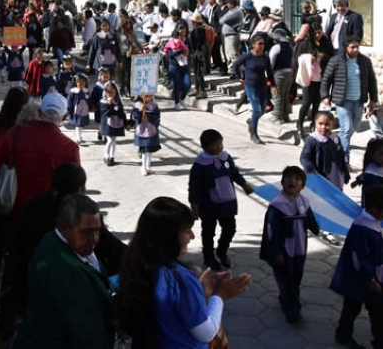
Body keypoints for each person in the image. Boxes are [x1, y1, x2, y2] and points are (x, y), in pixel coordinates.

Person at [117, 197, 251, 348]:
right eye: (187, 231)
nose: (192, 236)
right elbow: (206, 332)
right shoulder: (179, 278)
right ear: (168, 236)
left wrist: (197, 291)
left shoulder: (137, 262)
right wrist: (219, 296)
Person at [15, 194, 116, 349]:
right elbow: (85, 335)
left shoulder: (57, 241)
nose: (94, 239)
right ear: (63, 227)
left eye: (97, 231)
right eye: (86, 232)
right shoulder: (65, 271)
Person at [0, 93, 80, 219]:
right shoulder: (70, 147)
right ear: (65, 116)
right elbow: (74, 190)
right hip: (49, 216)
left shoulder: (14, 133)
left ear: (39, 111)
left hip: (13, 210)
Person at [259, 166, 320, 324]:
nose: (292, 181)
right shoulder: (277, 205)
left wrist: (315, 228)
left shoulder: (304, 202)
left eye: (297, 179)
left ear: (302, 186)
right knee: (287, 279)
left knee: (296, 277)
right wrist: (276, 252)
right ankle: (293, 311)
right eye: (289, 178)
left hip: (299, 248)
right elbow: (272, 231)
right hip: (283, 250)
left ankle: (285, 297)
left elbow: (310, 218)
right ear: (282, 182)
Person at [189, 130, 254, 271]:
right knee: (208, 231)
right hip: (208, 204)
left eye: (220, 144)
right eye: (214, 145)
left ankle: (222, 250)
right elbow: (193, 186)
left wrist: (244, 184)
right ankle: (208, 256)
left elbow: (234, 173)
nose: (219, 148)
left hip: (227, 201)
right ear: (204, 147)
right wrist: (194, 204)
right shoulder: (200, 165)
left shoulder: (225, 157)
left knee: (230, 228)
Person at [330, 185, 383, 348]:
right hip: (362, 280)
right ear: (375, 209)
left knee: (366, 311)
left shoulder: (371, 221)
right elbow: (359, 258)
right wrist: (370, 279)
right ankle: (345, 337)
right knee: (356, 310)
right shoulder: (363, 228)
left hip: (367, 278)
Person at [321, 35, 379, 164]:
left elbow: (372, 81)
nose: (355, 49)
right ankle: (344, 160)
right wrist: (325, 96)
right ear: (346, 47)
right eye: (352, 47)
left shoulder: (365, 61)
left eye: (357, 47)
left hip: (358, 100)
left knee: (354, 127)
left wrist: (373, 100)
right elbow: (326, 79)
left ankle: (337, 144)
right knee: (346, 129)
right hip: (343, 101)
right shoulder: (336, 61)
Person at [232, 32, 275, 144]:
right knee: (256, 109)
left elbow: (269, 71)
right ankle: (253, 133)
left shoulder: (265, 56)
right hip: (251, 85)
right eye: (259, 44)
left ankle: (251, 121)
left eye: (263, 44)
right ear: (254, 45)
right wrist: (239, 78)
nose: (262, 46)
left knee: (264, 107)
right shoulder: (248, 56)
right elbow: (236, 65)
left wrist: (274, 85)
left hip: (262, 85)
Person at [294, 22, 333, 136]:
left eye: (319, 32)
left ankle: (313, 124)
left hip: (321, 76)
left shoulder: (326, 42)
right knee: (306, 102)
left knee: (316, 102)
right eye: (315, 33)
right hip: (308, 76)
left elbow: (332, 57)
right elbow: (297, 58)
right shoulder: (305, 43)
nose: (317, 35)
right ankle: (299, 124)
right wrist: (308, 58)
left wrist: (322, 56)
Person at [300, 111, 350, 192]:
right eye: (320, 124)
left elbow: (341, 156)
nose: (323, 127)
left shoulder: (335, 138)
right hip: (319, 176)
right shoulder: (312, 139)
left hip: (335, 176)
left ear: (332, 125)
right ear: (315, 123)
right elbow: (305, 157)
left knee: (335, 198)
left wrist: (346, 173)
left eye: (327, 124)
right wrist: (311, 169)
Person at [268, 28, 295, 126]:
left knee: (277, 94)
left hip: (278, 73)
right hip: (289, 73)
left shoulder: (276, 47)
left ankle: (277, 116)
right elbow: (292, 61)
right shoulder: (290, 47)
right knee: (285, 95)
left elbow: (271, 61)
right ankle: (286, 115)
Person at [132, 93, 161, 176]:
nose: (149, 98)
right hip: (141, 131)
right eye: (146, 96)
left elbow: (157, 117)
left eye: (150, 96)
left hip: (151, 130)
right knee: (145, 151)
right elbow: (133, 116)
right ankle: (143, 167)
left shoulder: (154, 105)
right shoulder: (137, 105)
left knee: (150, 151)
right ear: (141, 96)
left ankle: (148, 167)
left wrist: (149, 118)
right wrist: (140, 112)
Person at [164, 25, 192, 110]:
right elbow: (170, 55)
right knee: (177, 85)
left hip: (184, 65)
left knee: (187, 83)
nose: (183, 34)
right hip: (174, 66)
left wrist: (187, 52)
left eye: (184, 32)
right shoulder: (170, 44)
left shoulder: (186, 41)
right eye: (181, 32)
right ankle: (176, 102)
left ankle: (182, 98)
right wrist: (179, 51)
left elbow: (190, 50)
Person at [99, 80, 126, 165]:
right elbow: (103, 112)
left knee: (114, 140)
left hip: (116, 123)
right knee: (110, 140)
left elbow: (121, 113)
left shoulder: (118, 102)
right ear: (105, 92)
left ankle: (112, 156)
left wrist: (126, 122)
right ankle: (106, 155)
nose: (110, 94)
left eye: (113, 92)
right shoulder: (103, 101)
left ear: (116, 92)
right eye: (108, 92)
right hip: (107, 124)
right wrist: (109, 104)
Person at [351, 139, 383, 209]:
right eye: (381, 154)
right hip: (368, 201)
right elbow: (364, 176)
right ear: (373, 155)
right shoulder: (370, 167)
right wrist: (357, 181)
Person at [67, 73, 92, 145]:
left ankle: (80, 136)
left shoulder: (86, 91)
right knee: (78, 124)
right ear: (76, 83)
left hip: (84, 110)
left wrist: (90, 107)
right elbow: (69, 101)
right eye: (79, 82)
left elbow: (89, 100)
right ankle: (78, 138)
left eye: (83, 83)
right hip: (77, 110)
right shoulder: (73, 92)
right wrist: (69, 108)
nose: (81, 84)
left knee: (82, 124)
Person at [220, 0, 243, 69]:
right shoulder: (232, 11)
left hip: (232, 36)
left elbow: (222, 20)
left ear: (231, 4)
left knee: (232, 54)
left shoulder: (235, 11)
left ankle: (235, 71)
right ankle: (233, 71)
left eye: (228, 4)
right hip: (229, 36)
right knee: (230, 54)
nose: (227, 5)